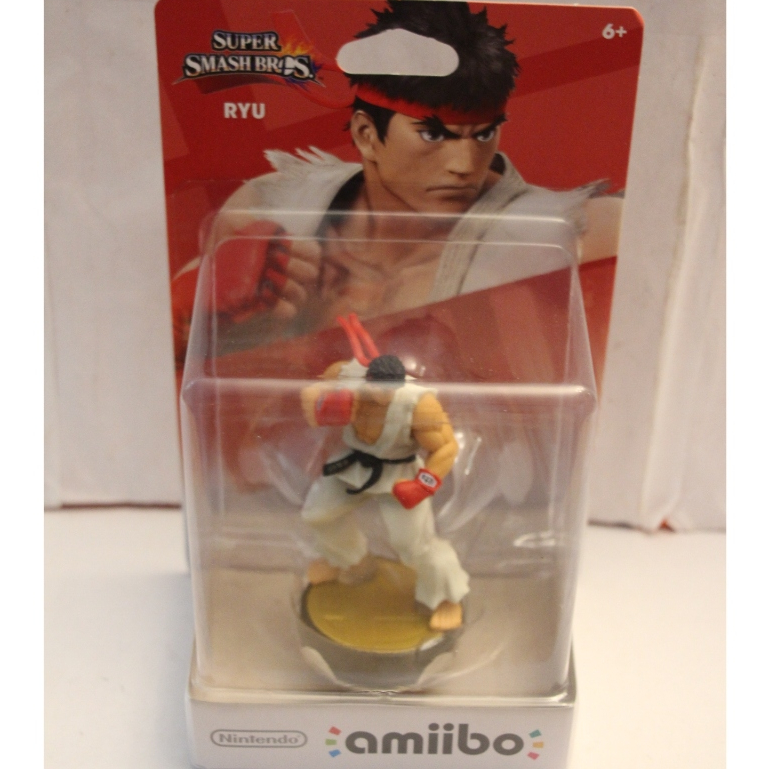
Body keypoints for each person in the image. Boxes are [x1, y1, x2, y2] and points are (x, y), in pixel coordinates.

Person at [172, 0, 621, 357]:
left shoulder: (558, 231)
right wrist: (225, 326)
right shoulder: (271, 207)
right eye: (434, 134)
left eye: (483, 133)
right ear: (366, 135)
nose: (466, 164)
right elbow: (180, 358)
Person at [299, 316, 469, 631]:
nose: (381, 395)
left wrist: (423, 485)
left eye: (388, 390)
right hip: (352, 465)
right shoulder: (349, 377)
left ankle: (447, 597)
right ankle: (352, 562)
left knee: (414, 546)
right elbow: (319, 384)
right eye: (376, 388)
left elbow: (446, 448)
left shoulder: (419, 405)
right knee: (318, 514)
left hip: (399, 474)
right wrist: (316, 398)